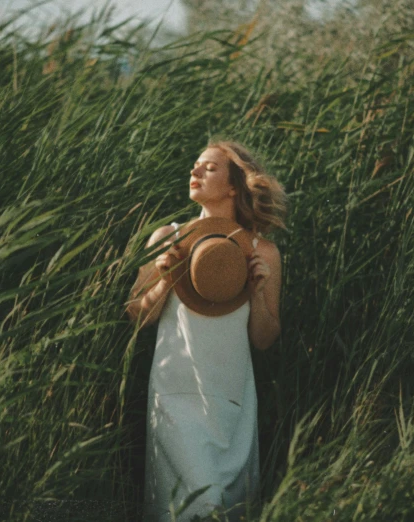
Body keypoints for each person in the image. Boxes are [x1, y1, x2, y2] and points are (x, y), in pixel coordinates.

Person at [126, 141, 286, 521]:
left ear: (234, 186)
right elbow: (137, 317)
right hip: (175, 391)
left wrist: (258, 293)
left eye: (209, 168)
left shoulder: (262, 252)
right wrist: (165, 281)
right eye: (195, 165)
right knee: (197, 506)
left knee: (227, 509)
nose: (194, 172)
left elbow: (264, 338)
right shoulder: (167, 237)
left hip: (231, 398)